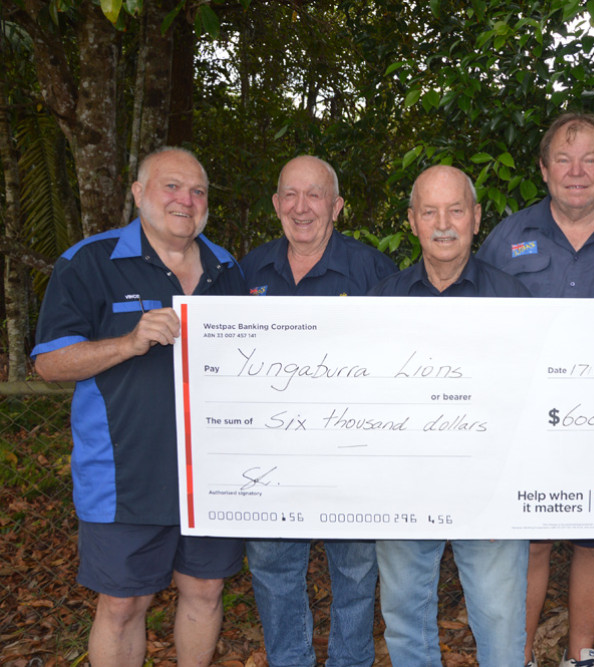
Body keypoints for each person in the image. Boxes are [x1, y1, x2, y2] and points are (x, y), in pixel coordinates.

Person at [31, 147, 246, 666]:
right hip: (123, 476)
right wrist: (127, 342)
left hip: (212, 475)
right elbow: (49, 364)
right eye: (171, 186)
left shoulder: (228, 269)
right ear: (138, 193)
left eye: (197, 191)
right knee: (124, 603)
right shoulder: (90, 262)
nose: (185, 200)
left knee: (205, 592)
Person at [477, 113, 594, 667]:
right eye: (563, 159)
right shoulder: (507, 237)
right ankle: (518, 656)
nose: (577, 171)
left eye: (590, 159)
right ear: (542, 169)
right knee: (530, 540)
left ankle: (580, 655)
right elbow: (479, 333)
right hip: (524, 425)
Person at [369, 164, 532, 667]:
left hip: (490, 489)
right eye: (430, 211)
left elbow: (531, 398)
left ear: (476, 218)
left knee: (501, 620)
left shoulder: (515, 300)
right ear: (412, 221)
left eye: (456, 210)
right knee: (403, 615)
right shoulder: (381, 301)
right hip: (403, 486)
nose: (444, 223)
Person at [240, 155, 397, 667]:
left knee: (354, 569)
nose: (301, 207)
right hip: (271, 455)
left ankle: (351, 661)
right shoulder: (247, 271)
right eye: (290, 194)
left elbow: (402, 357)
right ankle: (290, 659)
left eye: (314, 196)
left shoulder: (371, 269)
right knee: (273, 566)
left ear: (337, 206)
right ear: (276, 204)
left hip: (351, 453)